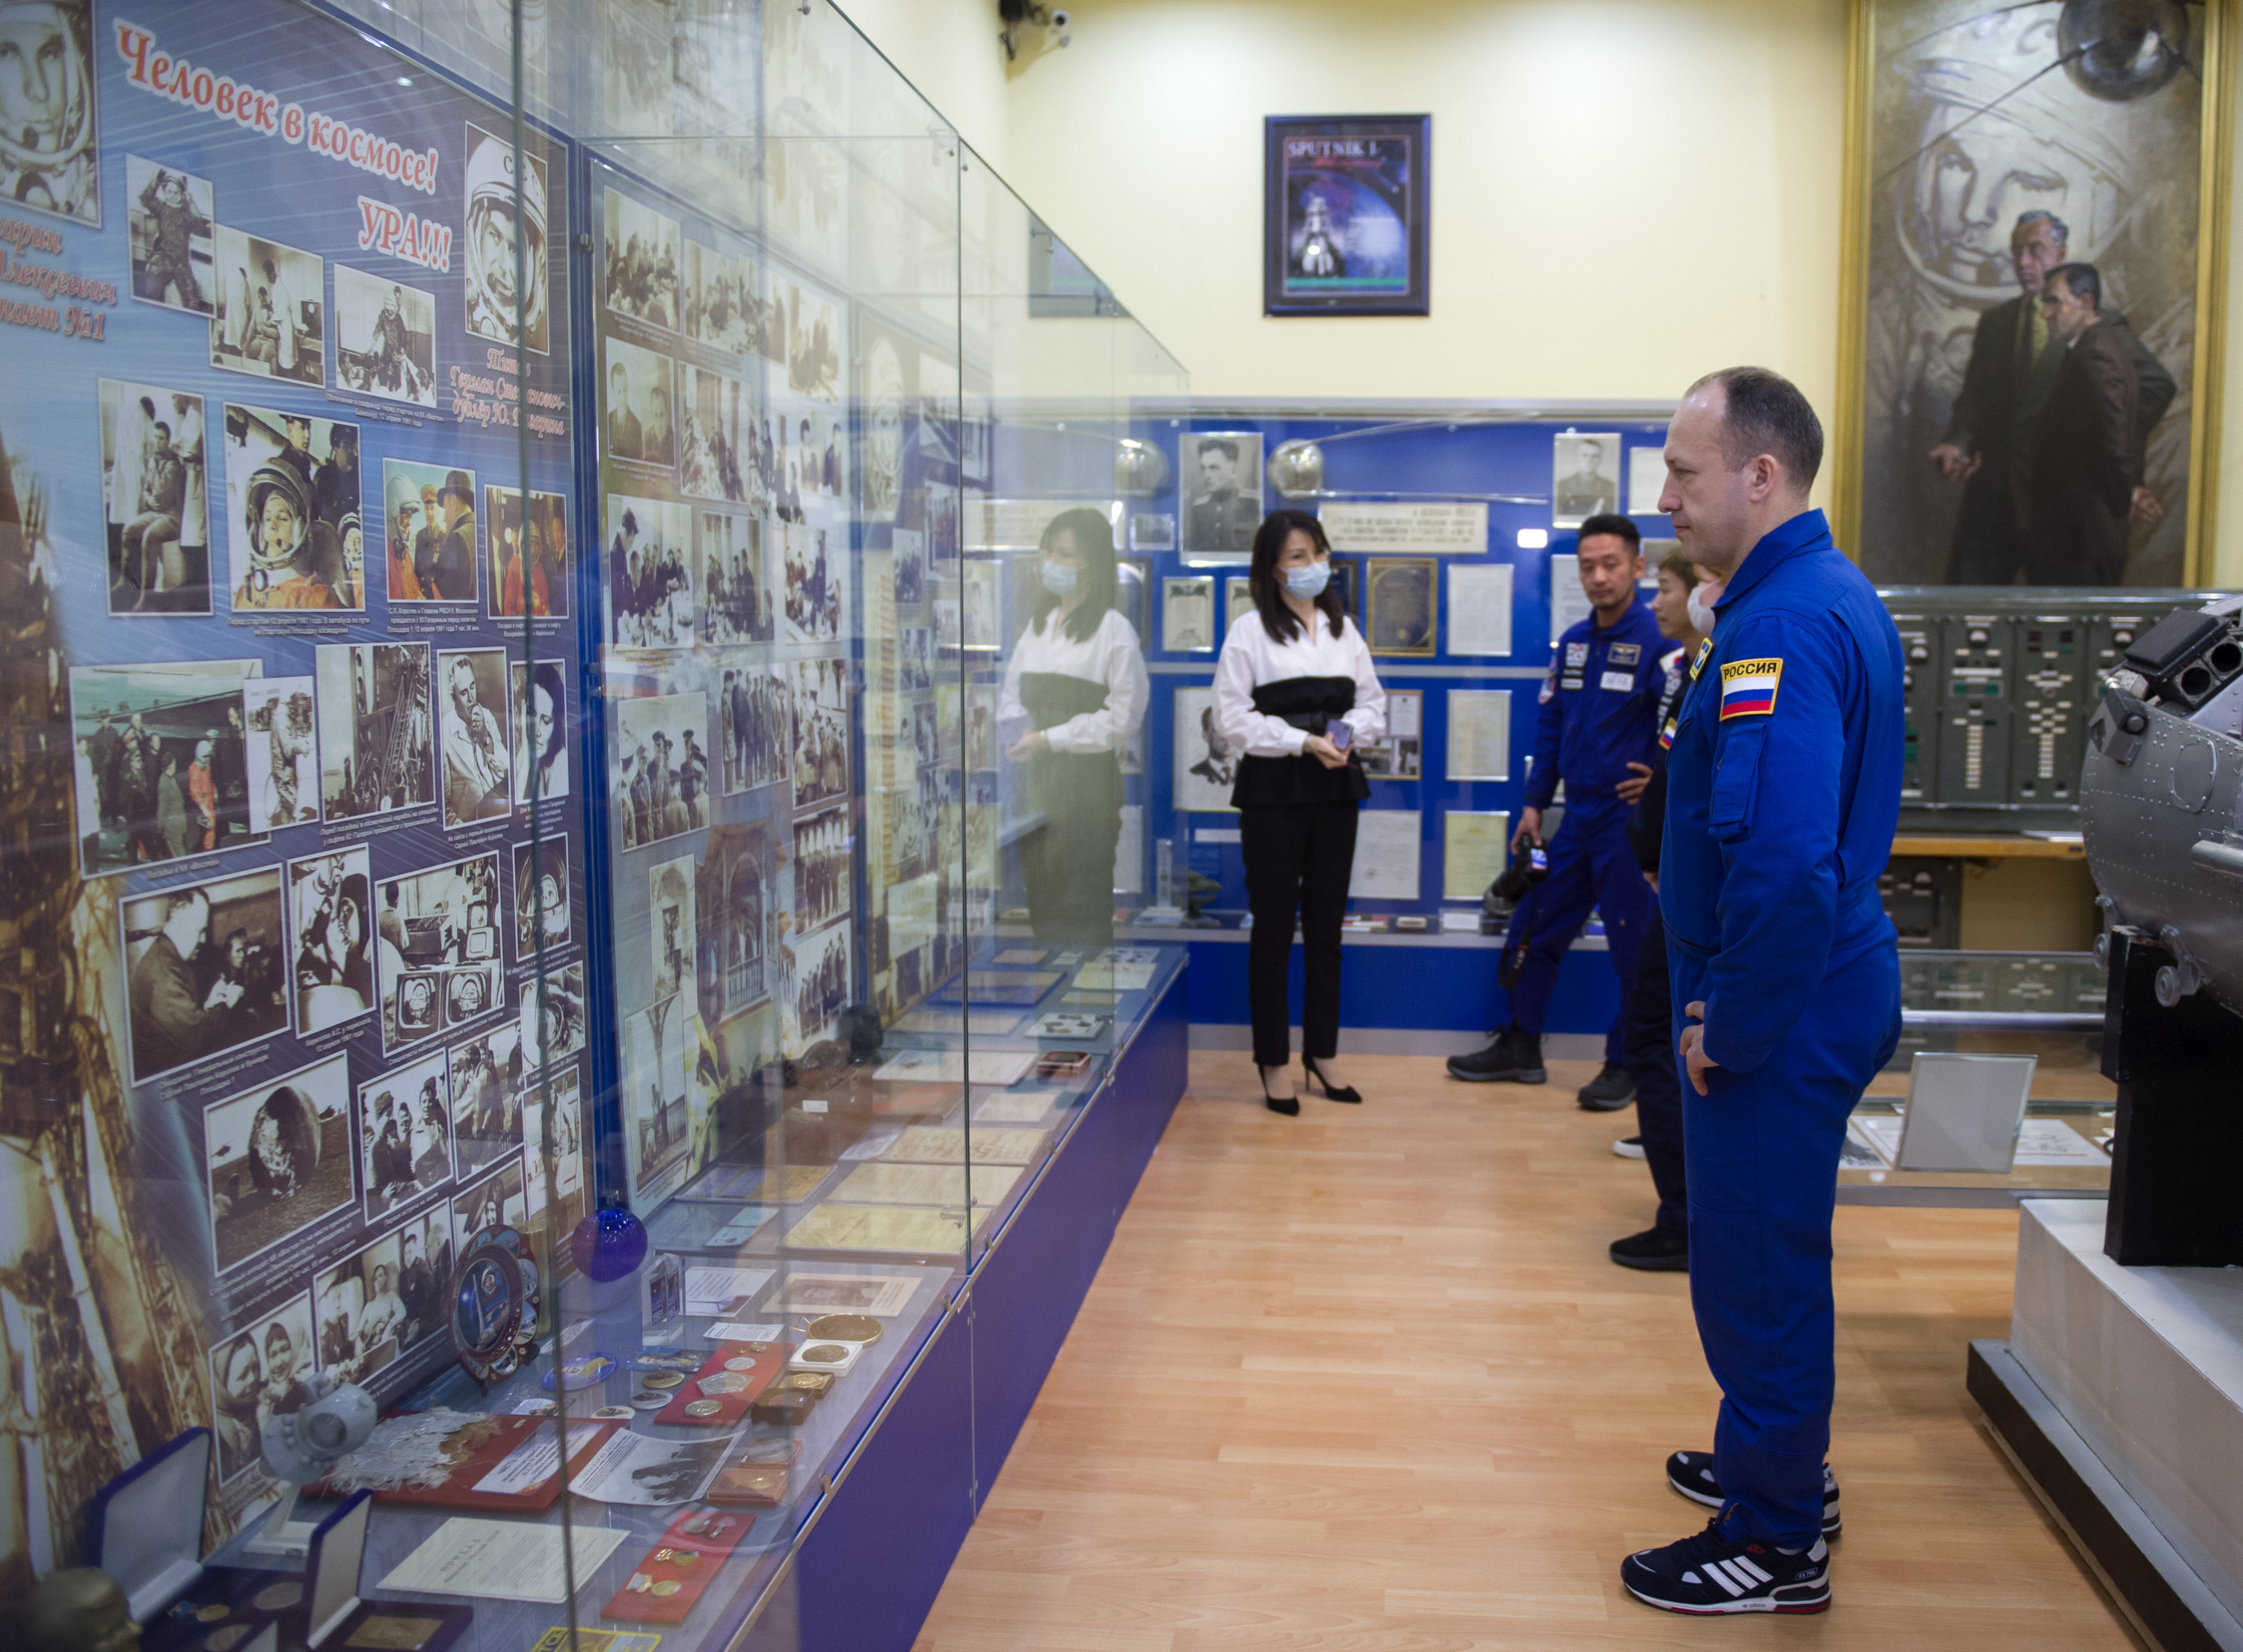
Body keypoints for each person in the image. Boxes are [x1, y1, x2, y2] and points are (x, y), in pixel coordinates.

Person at [1617, 366, 1901, 1615]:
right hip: (1804, 977)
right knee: (1772, 1250)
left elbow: (1784, 865)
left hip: (1777, 999)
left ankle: (1777, 1540)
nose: (1666, 497)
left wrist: (1729, 1025)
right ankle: (1774, 1462)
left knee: (1756, 1266)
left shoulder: (1782, 626)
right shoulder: (1817, 592)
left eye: (1685, 473)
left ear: (1761, 475)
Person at [1447, 514, 1661, 1102]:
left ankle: (1626, 1064)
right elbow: (1551, 726)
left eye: (1611, 564)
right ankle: (1521, 1043)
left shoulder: (1660, 643)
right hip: (1575, 818)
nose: (1599, 577)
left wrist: (1662, 781)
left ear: (1637, 567)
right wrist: (1534, 804)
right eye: (1588, 567)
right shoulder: (1572, 644)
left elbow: (1682, 724)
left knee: (1633, 946)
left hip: (1626, 825)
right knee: (1532, 926)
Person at [1213, 509, 1385, 1115]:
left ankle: (1322, 1053)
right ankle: (1273, 1061)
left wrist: (1339, 737)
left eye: (1318, 553)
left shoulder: (1344, 630)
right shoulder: (1248, 632)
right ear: (1272, 567)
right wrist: (1302, 742)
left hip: (1336, 788)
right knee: (1273, 931)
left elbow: (1373, 704)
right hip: (1273, 793)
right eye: (1297, 556)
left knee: (1327, 928)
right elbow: (1232, 719)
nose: (1313, 565)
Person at [1930, 210, 2175, 584]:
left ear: (2060, 253)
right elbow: (1974, 400)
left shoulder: (2099, 327)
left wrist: (2102, 437)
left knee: (2057, 612)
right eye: (2016, 252)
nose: (2023, 262)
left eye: (2035, 250)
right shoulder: (1996, 323)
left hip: (2061, 508)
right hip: (1996, 500)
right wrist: (1958, 442)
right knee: (1971, 607)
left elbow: (2157, 387)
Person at [1607, 551, 1718, 1272]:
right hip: (1676, 882)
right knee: (1663, 1037)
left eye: (1671, 588)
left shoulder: (1725, 664)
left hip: (1694, 894)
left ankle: (1684, 1218)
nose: (1658, 601)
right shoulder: (1693, 669)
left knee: (1656, 1037)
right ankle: (1691, 1207)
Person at [997, 508, 1150, 950]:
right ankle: (1051, 997)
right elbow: (1010, 696)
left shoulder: (1114, 631)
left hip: (1087, 791)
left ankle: (1090, 997)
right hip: (1034, 787)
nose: (1052, 563)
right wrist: (1018, 733)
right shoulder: (1037, 628)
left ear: (1093, 564)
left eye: (1065, 554)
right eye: (1049, 552)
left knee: (1083, 916)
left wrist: (1049, 739)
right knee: (1044, 914)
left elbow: (1123, 718)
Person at [2028, 264, 2144, 588]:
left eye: (2054, 302)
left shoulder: (2095, 355)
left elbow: (2114, 440)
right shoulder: (2092, 348)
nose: (2045, 314)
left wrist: (2123, 502)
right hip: (2080, 537)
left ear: (2087, 302)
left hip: (2084, 541)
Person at [129, 888, 242, 1076]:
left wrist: (208, 1005)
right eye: (200, 931)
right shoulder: (165, 970)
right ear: (181, 923)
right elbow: (198, 1037)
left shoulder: (167, 955)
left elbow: (179, 1022)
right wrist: (226, 1004)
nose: (202, 939)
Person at [442, 655, 509, 826]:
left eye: (473, 687)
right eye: (464, 693)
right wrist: (464, 830)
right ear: (453, 695)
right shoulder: (444, 733)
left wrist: (486, 737)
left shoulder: (487, 716)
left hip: (499, 814)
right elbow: (443, 806)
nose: (472, 697)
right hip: (471, 825)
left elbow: (506, 774)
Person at [1187, 438, 1260, 553]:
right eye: (1203, 468)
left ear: (1233, 468)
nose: (1206, 475)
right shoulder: (1198, 508)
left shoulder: (1254, 503)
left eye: (1214, 468)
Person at [1555, 437, 1616, 520]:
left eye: (1594, 456)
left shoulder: (1610, 487)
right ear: (1577, 458)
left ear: (1600, 459)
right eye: (1585, 455)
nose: (1589, 460)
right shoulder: (1562, 486)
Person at [609, 361, 643, 461]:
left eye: (625, 390)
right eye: (619, 392)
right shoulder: (607, 421)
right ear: (613, 392)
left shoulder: (637, 426)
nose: (623, 398)